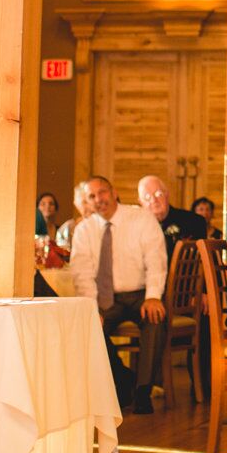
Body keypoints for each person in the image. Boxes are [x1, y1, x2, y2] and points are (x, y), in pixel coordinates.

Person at [70, 174, 167, 414]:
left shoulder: (141, 219)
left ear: (113, 192)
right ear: (87, 202)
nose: (98, 199)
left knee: (154, 320)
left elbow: (156, 260)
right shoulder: (84, 230)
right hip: (105, 298)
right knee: (86, 326)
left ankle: (143, 391)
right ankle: (122, 380)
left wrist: (154, 296)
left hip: (140, 294)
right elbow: (82, 275)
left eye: (102, 192)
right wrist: (92, 309)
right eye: (91, 196)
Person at [138, 175, 206, 263]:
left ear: (167, 194)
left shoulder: (194, 222)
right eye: (147, 197)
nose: (154, 200)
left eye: (159, 194)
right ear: (140, 202)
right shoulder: (136, 228)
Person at [57, 179, 92, 252]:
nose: (89, 206)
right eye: (84, 202)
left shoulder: (107, 225)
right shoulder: (67, 228)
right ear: (76, 204)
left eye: (90, 201)